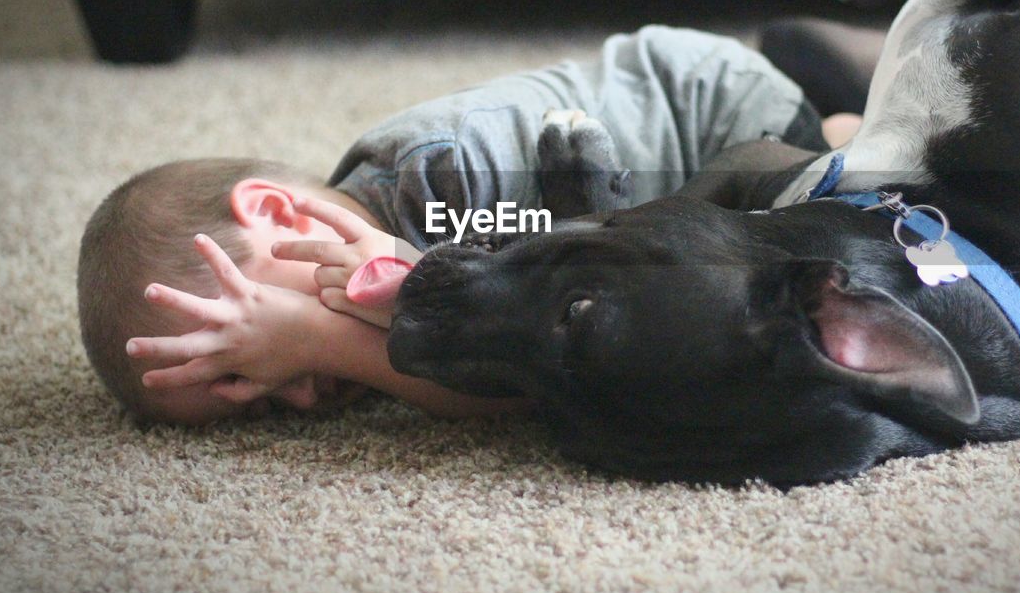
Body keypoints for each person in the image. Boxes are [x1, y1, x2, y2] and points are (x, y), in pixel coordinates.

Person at [77, 26, 861, 425]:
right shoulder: (385, 222)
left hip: (711, 114)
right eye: (267, 399)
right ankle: (834, 88)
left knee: (816, 213)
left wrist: (320, 336)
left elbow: (528, 374)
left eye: (257, 339)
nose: (306, 394)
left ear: (277, 214)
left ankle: (842, 125)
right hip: (688, 116)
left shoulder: (448, 180)